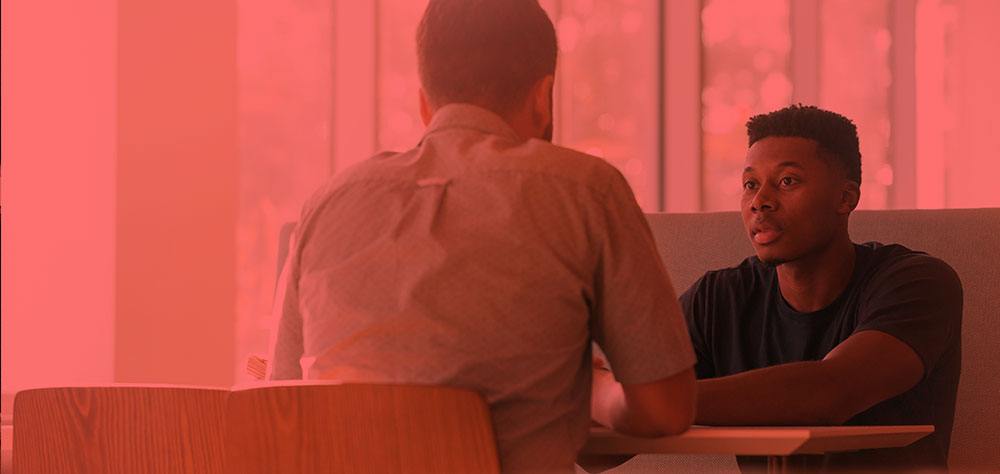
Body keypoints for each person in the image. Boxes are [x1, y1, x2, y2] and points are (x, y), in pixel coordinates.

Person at [268, 1, 697, 472]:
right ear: (543, 97)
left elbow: (279, 404)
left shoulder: (327, 204)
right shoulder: (587, 190)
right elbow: (665, 409)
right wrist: (596, 395)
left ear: (425, 104)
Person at [681, 105, 962, 472]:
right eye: (750, 184)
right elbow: (599, 454)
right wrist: (604, 398)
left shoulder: (919, 283)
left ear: (846, 198)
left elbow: (828, 393)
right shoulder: (717, 299)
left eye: (786, 181)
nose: (759, 201)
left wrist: (645, 401)